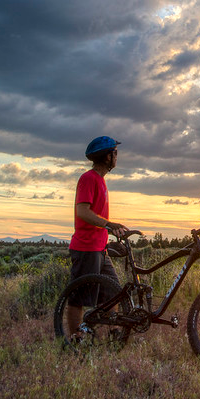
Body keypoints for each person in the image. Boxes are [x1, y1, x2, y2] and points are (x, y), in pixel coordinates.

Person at [66, 136, 129, 338]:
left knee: (114, 291)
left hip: (100, 248)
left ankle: (115, 331)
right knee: (78, 297)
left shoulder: (100, 180)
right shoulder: (88, 179)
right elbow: (82, 212)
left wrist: (110, 230)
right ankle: (77, 338)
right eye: (115, 153)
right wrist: (109, 224)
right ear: (107, 156)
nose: (117, 157)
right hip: (86, 248)